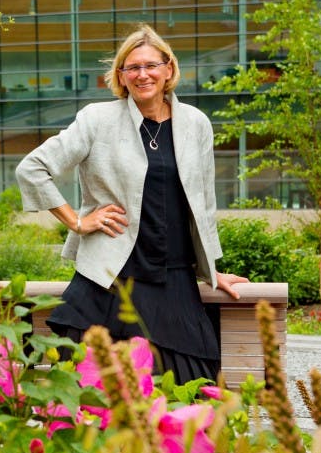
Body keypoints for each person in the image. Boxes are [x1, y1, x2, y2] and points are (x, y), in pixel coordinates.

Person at [15, 25, 248, 384]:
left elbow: (203, 205)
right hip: (108, 282)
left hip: (174, 283)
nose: (143, 74)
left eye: (151, 65)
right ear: (121, 76)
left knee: (187, 390)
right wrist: (77, 221)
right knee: (94, 398)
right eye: (132, 67)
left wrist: (210, 272)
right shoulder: (97, 120)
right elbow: (32, 168)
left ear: (168, 69)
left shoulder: (196, 124)